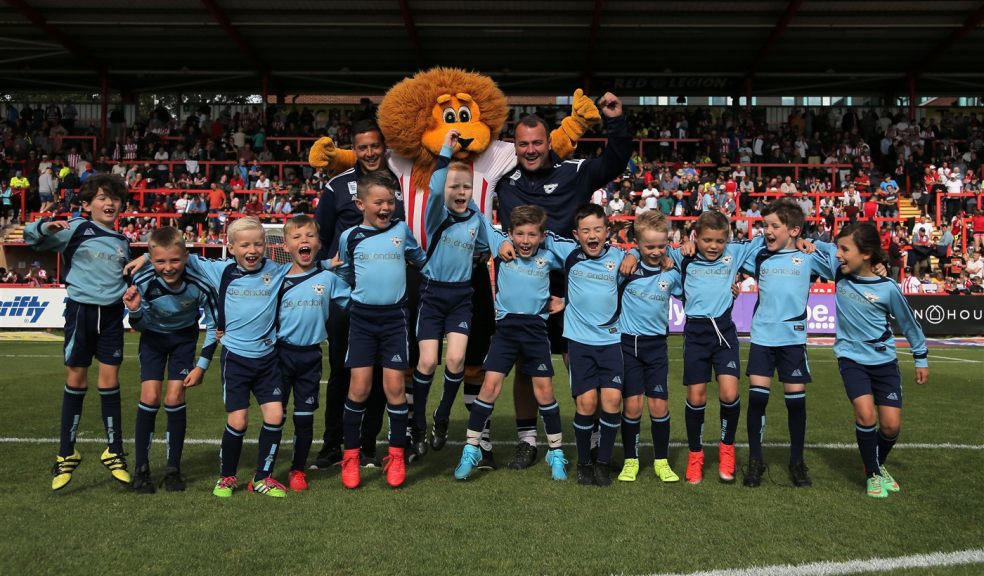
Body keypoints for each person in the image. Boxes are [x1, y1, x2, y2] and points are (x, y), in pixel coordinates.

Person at [494, 92, 632, 470]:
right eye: (523, 144)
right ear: (514, 146)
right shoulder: (503, 179)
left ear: (549, 141)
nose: (531, 150)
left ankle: (595, 434)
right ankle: (527, 440)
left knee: (579, 360)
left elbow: (616, 161)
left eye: (538, 142)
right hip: (524, 288)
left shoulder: (574, 171)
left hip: (573, 287)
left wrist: (615, 122)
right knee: (526, 366)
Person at [24, 174, 132, 491]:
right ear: (86, 204)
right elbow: (33, 239)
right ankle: (66, 453)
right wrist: (46, 226)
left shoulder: (123, 241)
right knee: (76, 379)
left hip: (112, 316)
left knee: (110, 381)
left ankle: (113, 450)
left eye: (113, 198)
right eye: (101, 197)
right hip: (81, 313)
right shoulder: (76, 230)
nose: (108, 202)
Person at [516, 203, 633, 487]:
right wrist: (508, 241)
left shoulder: (620, 258)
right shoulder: (569, 253)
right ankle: (583, 462)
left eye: (597, 229)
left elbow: (647, 254)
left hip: (611, 342)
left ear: (607, 231)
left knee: (612, 402)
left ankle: (602, 462)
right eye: (585, 231)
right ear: (576, 235)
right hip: (579, 344)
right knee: (587, 402)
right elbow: (533, 232)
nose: (592, 235)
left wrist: (634, 253)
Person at [451, 205, 568, 481]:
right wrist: (501, 238)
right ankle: (472, 448)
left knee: (545, 392)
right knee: (489, 386)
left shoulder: (548, 256)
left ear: (541, 236)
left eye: (532, 235)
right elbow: (480, 216)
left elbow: (580, 260)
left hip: (536, 332)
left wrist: (566, 301)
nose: (525, 240)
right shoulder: (503, 250)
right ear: (511, 234)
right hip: (505, 331)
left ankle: (556, 451)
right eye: (519, 234)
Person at [333, 170, 426, 489]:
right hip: (362, 320)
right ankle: (351, 456)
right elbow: (343, 275)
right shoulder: (350, 237)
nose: (386, 207)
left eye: (391, 201)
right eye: (379, 202)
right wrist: (347, 302)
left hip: (394, 320)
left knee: (395, 389)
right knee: (358, 388)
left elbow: (419, 259)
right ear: (361, 204)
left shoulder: (402, 230)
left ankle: (397, 455)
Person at [312, 120, 395, 469]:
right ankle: (333, 445)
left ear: (383, 145)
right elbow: (320, 236)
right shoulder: (338, 186)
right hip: (346, 298)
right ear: (354, 149)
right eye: (363, 147)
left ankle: (367, 447)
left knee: (378, 372)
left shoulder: (401, 180)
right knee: (342, 371)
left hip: (388, 296)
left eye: (375, 145)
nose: (370, 152)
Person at [827, 223, 929, 498]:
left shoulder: (887, 288)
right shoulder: (839, 273)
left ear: (866, 254)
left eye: (845, 249)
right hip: (851, 358)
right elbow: (816, 249)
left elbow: (908, 324)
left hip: (884, 361)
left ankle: (876, 464)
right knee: (865, 414)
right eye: (838, 247)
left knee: (891, 425)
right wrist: (803, 243)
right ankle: (872, 474)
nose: (838, 254)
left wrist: (920, 357)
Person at [740, 199, 832, 488]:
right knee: (757, 399)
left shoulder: (808, 256)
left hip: (792, 341)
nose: (766, 231)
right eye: (765, 225)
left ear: (793, 230)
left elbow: (840, 259)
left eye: (774, 226)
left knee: (796, 403)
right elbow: (728, 254)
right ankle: (755, 460)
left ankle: (796, 461)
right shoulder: (759, 255)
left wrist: (811, 241)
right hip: (763, 339)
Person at [667, 211, 764, 485]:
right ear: (696, 237)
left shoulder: (734, 253)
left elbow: (767, 241)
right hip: (696, 333)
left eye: (719, 241)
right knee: (696, 397)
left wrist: (803, 242)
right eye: (707, 240)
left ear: (727, 239)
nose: (713, 246)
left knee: (729, 393)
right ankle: (695, 456)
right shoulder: (683, 257)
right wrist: (681, 245)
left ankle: (727, 451)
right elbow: (654, 254)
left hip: (724, 332)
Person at [413, 131, 493, 456]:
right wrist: (447, 149)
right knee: (429, 362)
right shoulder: (437, 215)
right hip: (432, 295)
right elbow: (435, 188)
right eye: (454, 187)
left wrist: (483, 253)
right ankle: (418, 421)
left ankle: (442, 415)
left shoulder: (477, 219)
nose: (460, 192)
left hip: (462, 296)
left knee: (458, 358)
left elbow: (487, 247)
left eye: (466, 188)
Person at [124, 226, 219, 493]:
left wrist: (202, 366)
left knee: (175, 398)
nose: (168, 267)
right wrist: (134, 312)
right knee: (151, 397)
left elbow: (215, 325)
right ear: (151, 260)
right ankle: (141, 469)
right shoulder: (142, 282)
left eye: (175, 260)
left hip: (183, 340)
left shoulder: (200, 284)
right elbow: (140, 326)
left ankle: (173, 469)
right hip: (153, 339)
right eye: (161, 261)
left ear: (186, 257)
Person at [275, 215, 351, 491]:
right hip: (279, 356)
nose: (303, 241)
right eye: (296, 237)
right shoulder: (276, 278)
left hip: (310, 358)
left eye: (309, 236)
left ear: (319, 243)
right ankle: (266, 471)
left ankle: (297, 470)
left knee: (304, 418)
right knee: (275, 417)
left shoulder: (329, 279)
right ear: (285, 245)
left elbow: (354, 302)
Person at [615, 211, 681, 483]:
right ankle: (631, 460)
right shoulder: (626, 268)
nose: (655, 251)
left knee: (659, 406)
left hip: (656, 347)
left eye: (661, 246)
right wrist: (630, 253)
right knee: (632, 408)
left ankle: (661, 461)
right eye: (648, 246)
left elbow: (694, 289)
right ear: (637, 244)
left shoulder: (672, 272)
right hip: (628, 345)